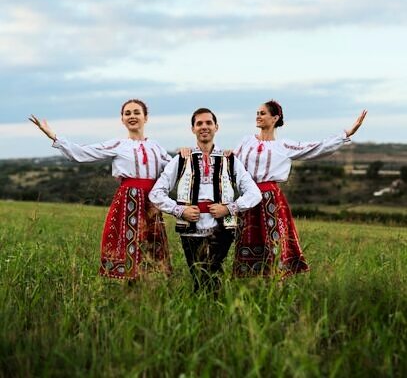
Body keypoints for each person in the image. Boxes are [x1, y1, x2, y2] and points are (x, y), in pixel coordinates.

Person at [29, 99, 172, 281]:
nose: (132, 116)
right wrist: (54, 137)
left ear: (146, 117)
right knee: (130, 247)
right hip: (129, 202)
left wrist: (188, 155)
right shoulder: (118, 145)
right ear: (122, 120)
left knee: (152, 246)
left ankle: (153, 288)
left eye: (136, 112)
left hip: (151, 201)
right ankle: (131, 291)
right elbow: (81, 153)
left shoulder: (156, 147)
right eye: (127, 113)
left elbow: (174, 169)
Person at [232, 101, 367, 279]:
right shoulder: (246, 141)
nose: (258, 116)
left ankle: (275, 285)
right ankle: (246, 283)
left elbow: (317, 148)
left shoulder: (284, 146)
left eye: (263, 113)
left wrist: (346, 134)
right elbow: (230, 164)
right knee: (247, 237)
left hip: (271, 200)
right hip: (249, 197)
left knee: (274, 242)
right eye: (257, 112)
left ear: (275, 118)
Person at [149, 108, 262, 293]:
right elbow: (156, 193)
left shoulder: (229, 160)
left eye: (208, 123)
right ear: (192, 129)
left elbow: (254, 193)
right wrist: (179, 210)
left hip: (222, 227)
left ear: (216, 127)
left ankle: (213, 313)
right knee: (198, 276)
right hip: (190, 228)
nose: (204, 127)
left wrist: (230, 208)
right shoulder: (182, 159)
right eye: (199, 123)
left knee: (212, 273)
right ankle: (204, 314)